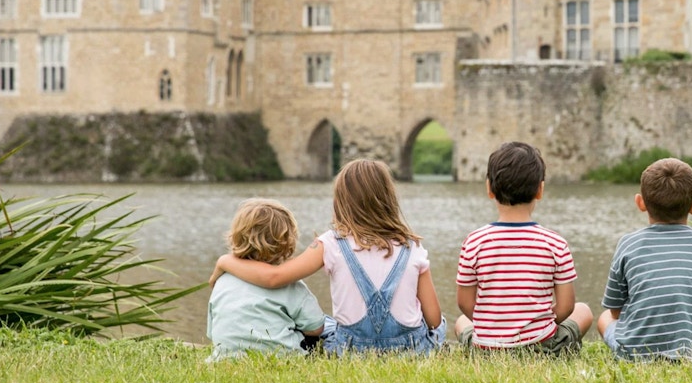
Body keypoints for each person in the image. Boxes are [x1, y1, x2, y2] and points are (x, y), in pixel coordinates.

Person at [209, 159, 445, 355]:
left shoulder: (331, 243)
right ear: (389, 199)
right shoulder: (412, 245)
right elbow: (433, 319)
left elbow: (275, 277)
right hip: (411, 350)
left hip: (351, 351)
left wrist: (225, 261)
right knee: (442, 325)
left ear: (341, 201)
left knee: (328, 324)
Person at [597, 157, 692, 360]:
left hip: (634, 352)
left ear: (640, 203)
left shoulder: (627, 244)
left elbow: (614, 311)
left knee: (603, 318)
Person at [455, 141, 593, 353]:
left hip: (487, 348)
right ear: (540, 190)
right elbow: (566, 306)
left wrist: (495, 326)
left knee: (460, 323)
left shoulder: (474, 241)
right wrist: (533, 323)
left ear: (489, 188)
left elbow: (465, 303)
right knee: (584, 311)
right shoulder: (555, 243)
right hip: (542, 345)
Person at [207, 198, 327, 361]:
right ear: (288, 243)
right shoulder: (290, 285)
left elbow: (212, 330)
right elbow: (315, 328)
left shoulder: (222, 281)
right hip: (283, 359)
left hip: (225, 358)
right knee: (328, 327)